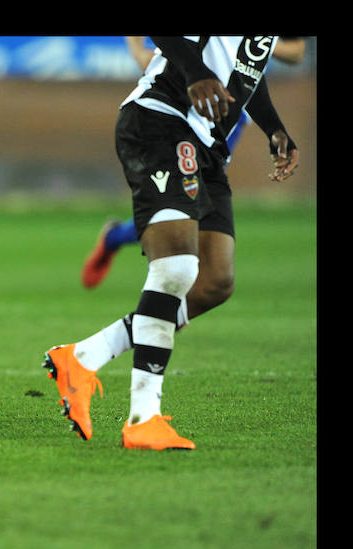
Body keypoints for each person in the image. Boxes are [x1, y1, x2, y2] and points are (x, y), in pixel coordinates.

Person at [45, 36, 299, 449]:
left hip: (209, 148)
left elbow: (249, 68)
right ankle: (144, 419)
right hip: (161, 120)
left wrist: (274, 128)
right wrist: (195, 71)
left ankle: (83, 358)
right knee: (176, 267)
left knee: (215, 282)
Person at [80, 36, 306, 289]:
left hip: (230, 115)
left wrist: (257, 44)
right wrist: (139, 53)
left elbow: (296, 52)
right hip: (181, 105)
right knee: (182, 206)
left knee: (195, 208)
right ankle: (154, 305)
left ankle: (120, 243)